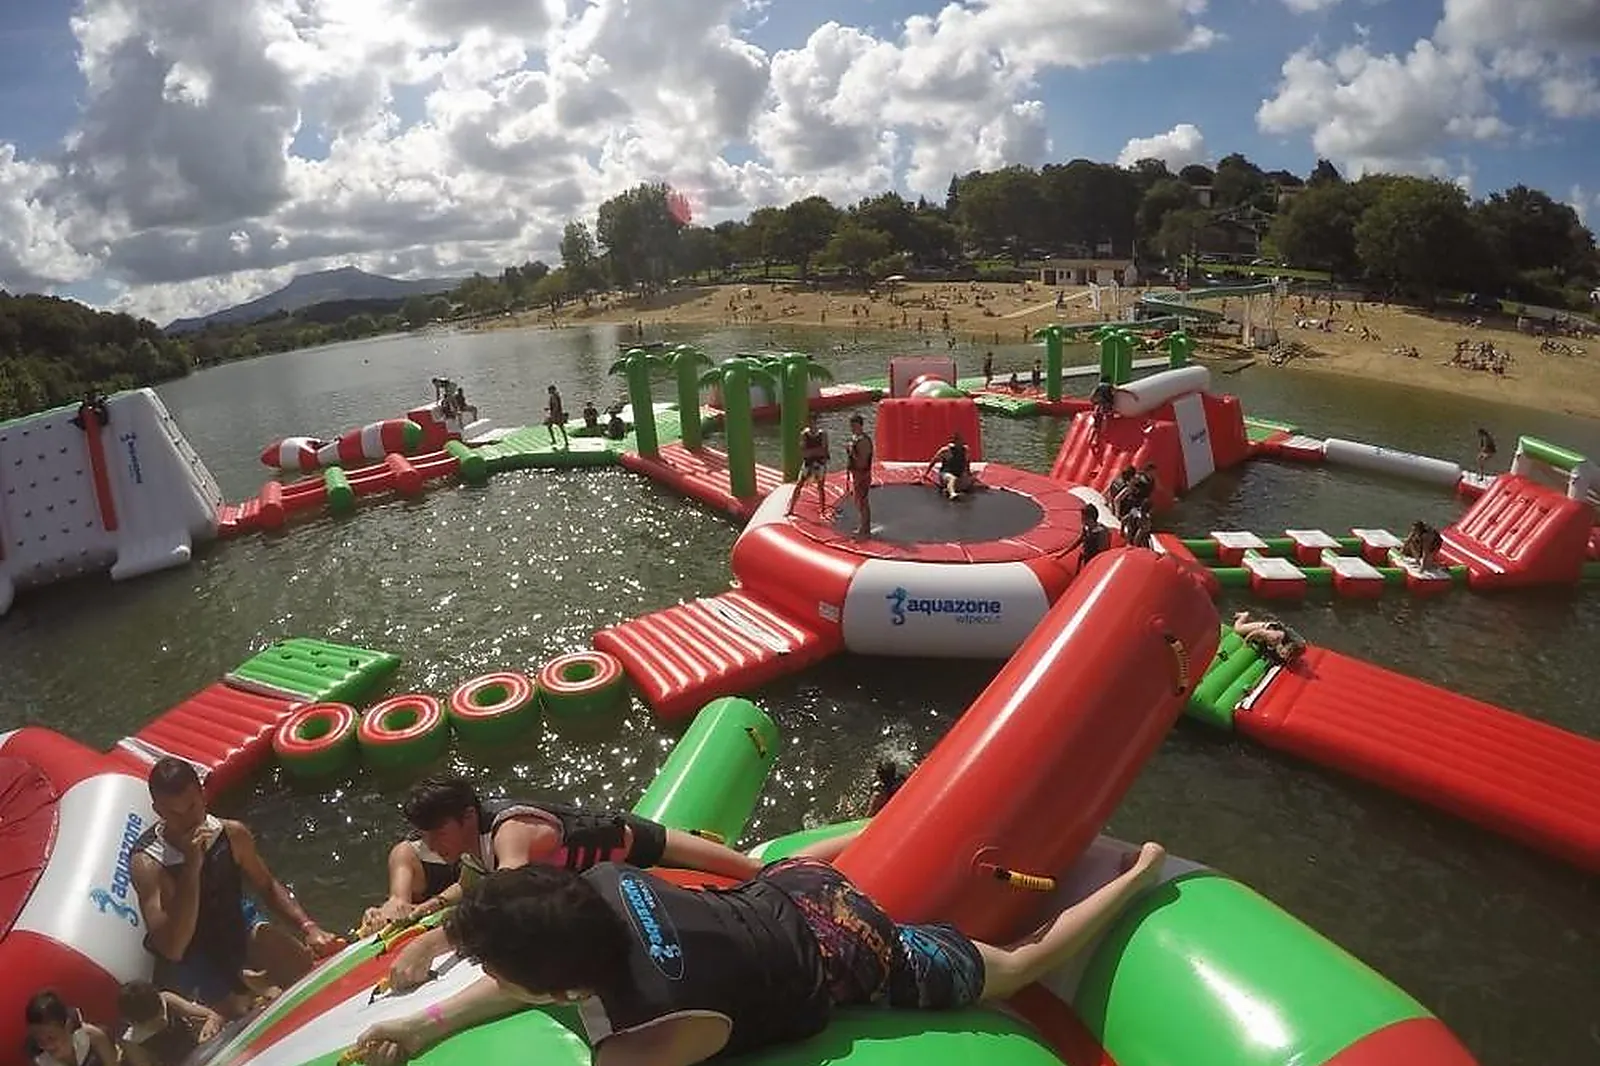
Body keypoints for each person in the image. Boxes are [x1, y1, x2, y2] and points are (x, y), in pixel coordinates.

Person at [353, 838, 1169, 1066]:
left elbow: (549, 992)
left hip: (846, 947)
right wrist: (426, 1025)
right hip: (796, 880)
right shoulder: (594, 887)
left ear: (559, 986)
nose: (489, 980)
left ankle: (1139, 875)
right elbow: (543, 977)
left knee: (1014, 970)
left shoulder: (641, 1037)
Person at [379, 775, 765, 992]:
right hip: (602, 880)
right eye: (423, 833)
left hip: (645, 847)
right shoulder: (467, 843)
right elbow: (472, 881)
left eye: (436, 832)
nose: (429, 844)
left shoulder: (511, 833)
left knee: (753, 871)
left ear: (467, 815)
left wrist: (428, 944)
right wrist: (426, 908)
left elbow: (501, 898)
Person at [130, 758, 336, 1016]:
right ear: (158, 810)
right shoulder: (148, 863)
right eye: (175, 813)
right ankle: (251, 989)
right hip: (195, 951)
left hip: (236, 922)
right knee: (242, 1014)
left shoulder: (231, 833)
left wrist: (309, 927)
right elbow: (173, 947)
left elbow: (267, 885)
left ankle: (259, 982)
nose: (188, 820)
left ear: (202, 794)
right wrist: (192, 867)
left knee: (301, 963)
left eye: (193, 806)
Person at [359, 833, 464, 936]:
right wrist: (380, 915)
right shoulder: (406, 853)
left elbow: (469, 884)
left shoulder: (474, 840)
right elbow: (398, 903)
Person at [117, 981, 224, 1066]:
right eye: (154, 1021)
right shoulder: (131, 1041)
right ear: (135, 1023)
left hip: (202, 1050)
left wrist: (209, 1030)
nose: (162, 1019)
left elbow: (212, 1016)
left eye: (161, 1012)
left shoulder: (167, 999)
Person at [23, 991, 117, 1066]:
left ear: (68, 1026)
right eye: (40, 1041)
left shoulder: (94, 1037)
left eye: (51, 1038)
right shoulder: (38, 1059)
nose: (47, 1046)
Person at [787, 413, 831, 516]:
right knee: (799, 484)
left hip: (819, 463)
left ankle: (823, 510)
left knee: (820, 486)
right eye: (810, 422)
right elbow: (804, 452)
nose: (812, 424)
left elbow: (824, 451)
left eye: (813, 422)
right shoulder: (804, 434)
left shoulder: (822, 434)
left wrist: (812, 452)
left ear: (816, 422)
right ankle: (791, 509)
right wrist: (815, 451)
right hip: (808, 463)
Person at [1232, 610, 1306, 664]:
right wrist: (1246, 642)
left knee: (1261, 642)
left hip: (1275, 635)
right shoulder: (1273, 637)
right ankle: (1244, 615)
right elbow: (1257, 632)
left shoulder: (1293, 650)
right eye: (1283, 653)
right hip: (1265, 628)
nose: (1283, 656)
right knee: (1238, 629)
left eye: (1285, 656)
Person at [1058, 503, 1112, 572]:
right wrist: (1062, 554)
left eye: (1083, 517)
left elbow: (1103, 552)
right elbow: (1078, 541)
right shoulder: (1086, 528)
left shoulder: (1101, 532)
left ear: (1089, 518)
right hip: (1086, 560)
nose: (1081, 519)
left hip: (1095, 564)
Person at [924, 431, 977, 501]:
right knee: (952, 478)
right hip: (946, 473)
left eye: (961, 441)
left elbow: (967, 462)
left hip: (959, 473)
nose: (960, 444)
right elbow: (934, 461)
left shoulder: (965, 450)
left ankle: (949, 489)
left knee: (970, 481)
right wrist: (926, 473)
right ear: (954, 442)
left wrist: (968, 472)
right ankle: (952, 494)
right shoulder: (945, 450)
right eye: (958, 441)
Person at [845, 413, 874, 537]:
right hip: (856, 474)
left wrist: (851, 451)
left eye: (853, 425)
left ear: (859, 425)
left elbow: (862, 461)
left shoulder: (863, 441)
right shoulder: (855, 438)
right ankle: (863, 525)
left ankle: (865, 528)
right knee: (858, 500)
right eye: (851, 425)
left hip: (862, 474)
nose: (851, 427)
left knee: (862, 501)